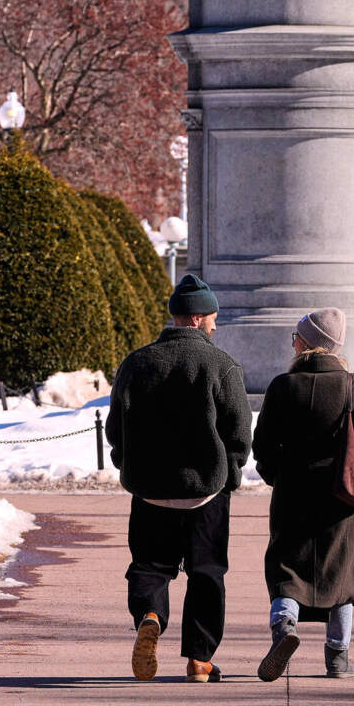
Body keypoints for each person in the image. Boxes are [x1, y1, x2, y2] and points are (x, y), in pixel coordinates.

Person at [106, 273, 252, 684]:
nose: (216, 326)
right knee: (206, 574)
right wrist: (231, 474)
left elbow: (116, 427)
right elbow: (239, 433)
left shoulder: (136, 362)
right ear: (199, 319)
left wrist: (128, 464)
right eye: (213, 318)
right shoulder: (222, 365)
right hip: (206, 492)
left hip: (150, 490)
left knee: (149, 567)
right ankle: (199, 660)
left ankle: (150, 615)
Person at [252, 307, 354, 681]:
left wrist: (276, 475)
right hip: (341, 496)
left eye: (296, 337)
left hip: (292, 490)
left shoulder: (282, 386)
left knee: (286, 565)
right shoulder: (353, 386)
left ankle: (285, 627)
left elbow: (263, 444)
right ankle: (338, 657)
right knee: (341, 574)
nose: (292, 343)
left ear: (307, 344)